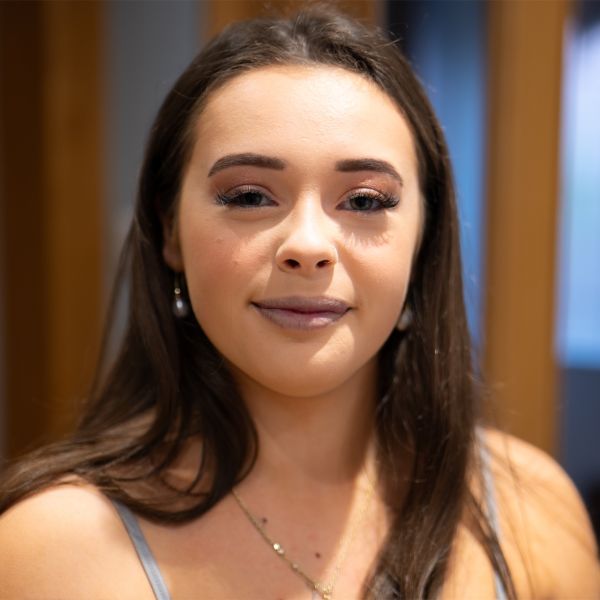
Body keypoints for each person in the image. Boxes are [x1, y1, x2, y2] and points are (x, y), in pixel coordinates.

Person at [0, 6, 597, 599]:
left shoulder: (528, 512)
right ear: (171, 231)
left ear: (423, 239)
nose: (308, 246)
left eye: (364, 201)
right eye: (250, 195)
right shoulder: (53, 551)